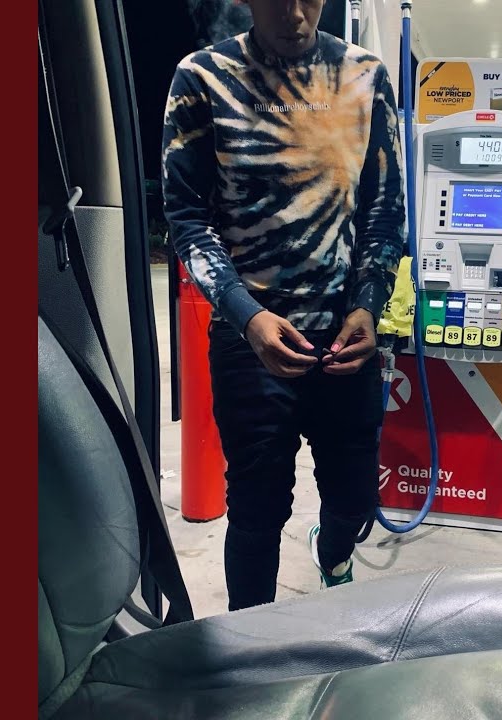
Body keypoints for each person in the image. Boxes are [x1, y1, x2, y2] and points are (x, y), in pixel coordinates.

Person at [162, 0, 405, 611]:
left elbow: (384, 211)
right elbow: (187, 221)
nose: (294, 13)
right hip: (251, 338)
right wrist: (245, 315)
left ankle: (333, 551)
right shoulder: (202, 77)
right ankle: (249, 648)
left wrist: (368, 305)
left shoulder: (365, 76)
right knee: (256, 509)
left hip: (345, 334)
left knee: (355, 498)